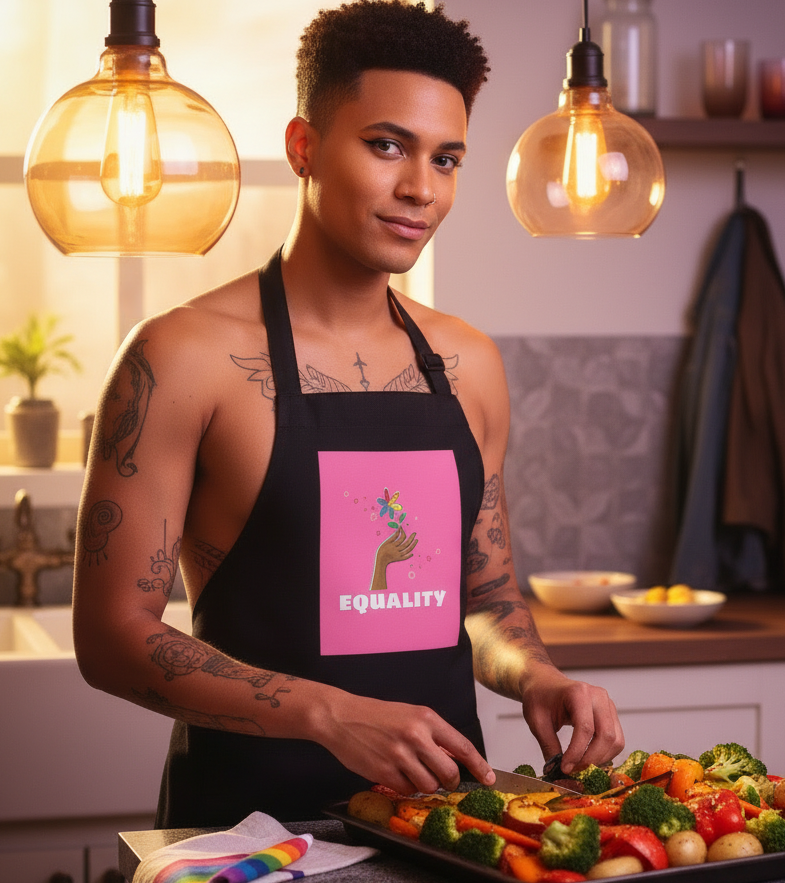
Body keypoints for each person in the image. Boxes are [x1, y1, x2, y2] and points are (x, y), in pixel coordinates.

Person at [72, 0, 624, 828]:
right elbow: (111, 634)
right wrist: (328, 713)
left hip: (444, 828)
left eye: (446, 159)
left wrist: (538, 677)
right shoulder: (182, 356)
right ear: (304, 147)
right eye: (386, 145)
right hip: (245, 838)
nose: (419, 189)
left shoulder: (469, 364)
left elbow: (484, 592)